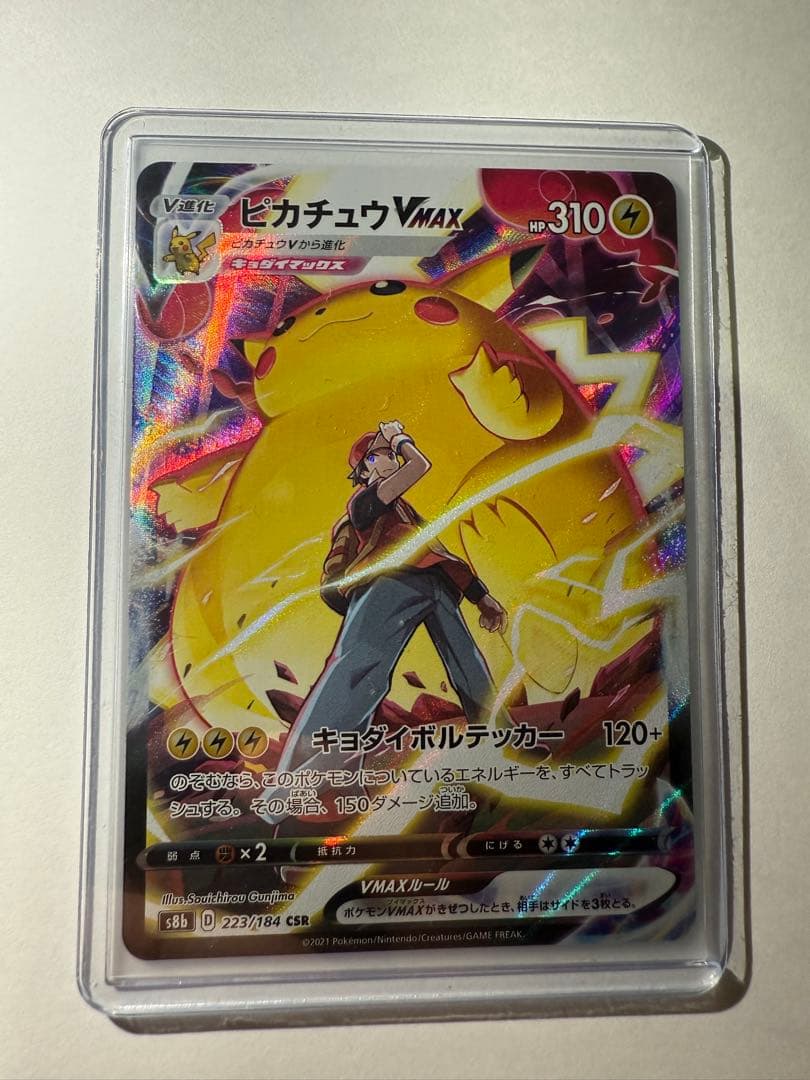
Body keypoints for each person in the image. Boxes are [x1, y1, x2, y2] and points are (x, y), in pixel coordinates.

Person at [274, 419, 508, 778]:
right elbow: (419, 466)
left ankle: (502, 742)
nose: (390, 460)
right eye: (379, 456)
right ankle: (304, 772)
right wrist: (397, 438)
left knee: (468, 663)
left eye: (388, 454)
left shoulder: (405, 512)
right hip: (389, 586)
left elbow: (438, 553)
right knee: (356, 673)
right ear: (365, 469)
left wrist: (482, 598)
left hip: (433, 585)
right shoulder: (365, 502)